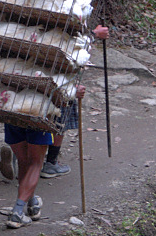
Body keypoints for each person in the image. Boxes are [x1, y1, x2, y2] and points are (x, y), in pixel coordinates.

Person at [3, 83, 86, 228]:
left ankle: (32, 203)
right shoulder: (54, 62)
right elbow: (58, 86)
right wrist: (74, 92)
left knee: (24, 162)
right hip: (39, 112)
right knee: (35, 163)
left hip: (13, 109)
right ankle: (17, 212)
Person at [40, 24, 109, 178]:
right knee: (60, 116)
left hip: (35, 70)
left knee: (35, 110)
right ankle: (50, 163)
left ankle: (21, 157)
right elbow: (68, 49)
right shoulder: (63, 15)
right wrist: (94, 34)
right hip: (59, 75)